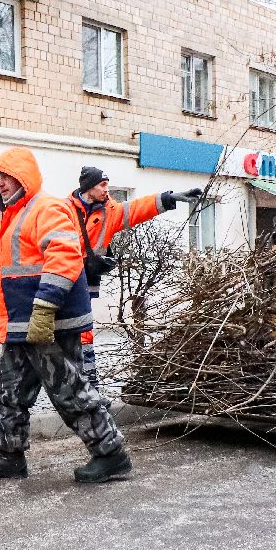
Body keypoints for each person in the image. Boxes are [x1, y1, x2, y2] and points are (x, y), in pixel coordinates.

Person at [0, 147, 133, 484]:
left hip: (52, 324)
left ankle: (111, 454)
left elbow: (64, 258)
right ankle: (8, 456)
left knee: (70, 389)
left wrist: (45, 308)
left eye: (7, 176)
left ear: (24, 177)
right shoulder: (11, 215)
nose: (1, 183)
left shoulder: (46, 208)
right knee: (8, 389)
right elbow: (5, 269)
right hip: (22, 324)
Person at [69, 166, 204, 387]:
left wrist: (168, 198)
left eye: (107, 184)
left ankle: (88, 384)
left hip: (86, 281)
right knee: (65, 332)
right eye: (102, 185)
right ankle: (70, 381)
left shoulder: (109, 211)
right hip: (61, 280)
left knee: (83, 332)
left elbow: (138, 208)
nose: (107, 189)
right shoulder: (64, 210)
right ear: (88, 188)